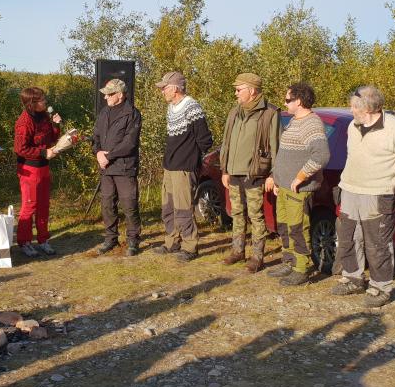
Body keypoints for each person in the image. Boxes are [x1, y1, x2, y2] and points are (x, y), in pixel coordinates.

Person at [331, 86, 395, 307]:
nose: (351, 110)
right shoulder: (352, 126)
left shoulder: (394, 127)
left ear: (368, 108)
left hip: (377, 195)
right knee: (348, 238)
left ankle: (380, 288)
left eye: (354, 106)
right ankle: (353, 279)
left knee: (378, 244)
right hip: (350, 191)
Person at [267, 83, 330, 286]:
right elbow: (285, 155)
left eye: (288, 100)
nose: (284, 103)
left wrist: (301, 176)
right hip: (283, 187)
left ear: (299, 101)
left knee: (298, 228)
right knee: (284, 226)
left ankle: (301, 269)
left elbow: (321, 155)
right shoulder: (295, 121)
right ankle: (289, 261)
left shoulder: (312, 124)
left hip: (297, 190)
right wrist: (275, 177)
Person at [219, 72, 280, 273]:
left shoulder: (270, 113)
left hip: (255, 173)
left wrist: (273, 174)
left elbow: (276, 145)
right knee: (237, 213)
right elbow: (226, 141)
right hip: (233, 172)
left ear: (252, 91)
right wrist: (225, 169)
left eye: (239, 89)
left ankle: (257, 257)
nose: (236, 93)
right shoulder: (234, 112)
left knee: (255, 216)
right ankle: (237, 251)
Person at [153, 71, 213, 262]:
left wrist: (192, 159)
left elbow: (205, 140)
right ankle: (172, 242)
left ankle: (190, 247)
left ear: (175, 88)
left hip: (184, 167)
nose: (162, 91)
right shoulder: (171, 107)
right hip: (170, 166)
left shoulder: (192, 106)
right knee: (168, 207)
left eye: (165, 88)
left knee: (183, 208)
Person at [92, 78, 142, 256]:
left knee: (129, 205)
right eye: (105, 94)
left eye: (109, 94)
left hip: (124, 167)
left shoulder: (133, 114)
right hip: (106, 168)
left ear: (120, 95)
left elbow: (130, 143)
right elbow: (96, 136)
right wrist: (98, 152)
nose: (106, 97)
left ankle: (133, 240)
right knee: (107, 204)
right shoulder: (104, 112)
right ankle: (111, 239)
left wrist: (108, 156)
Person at [13, 86, 62, 257]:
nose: (45, 102)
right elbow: (20, 149)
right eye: (41, 100)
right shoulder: (24, 122)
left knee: (43, 205)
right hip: (29, 168)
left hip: (43, 167)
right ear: (31, 103)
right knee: (30, 205)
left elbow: (52, 138)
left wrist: (56, 125)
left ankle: (43, 240)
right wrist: (43, 153)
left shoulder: (44, 116)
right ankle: (24, 242)